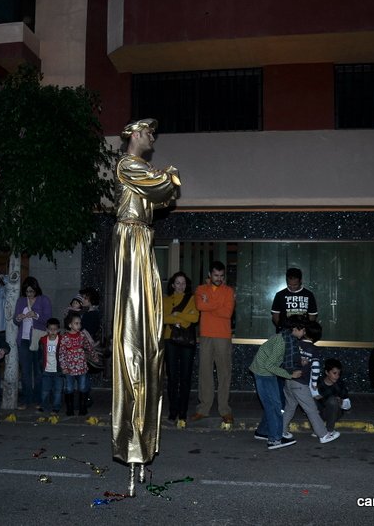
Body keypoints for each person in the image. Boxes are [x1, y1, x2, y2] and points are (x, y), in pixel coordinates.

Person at [111, 117, 180, 494]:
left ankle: (142, 440)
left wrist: (166, 180)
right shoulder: (128, 164)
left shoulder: (138, 168)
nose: (152, 137)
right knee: (133, 330)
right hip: (132, 240)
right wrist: (169, 174)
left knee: (148, 334)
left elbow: (163, 197)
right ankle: (131, 438)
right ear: (136, 134)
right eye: (149, 132)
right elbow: (163, 187)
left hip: (142, 239)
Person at [279, 319, 339, 446]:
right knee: (311, 410)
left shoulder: (295, 343)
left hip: (288, 380)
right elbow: (315, 368)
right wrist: (314, 383)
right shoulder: (313, 349)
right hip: (301, 384)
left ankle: (281, 431)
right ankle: (323, 435)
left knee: (289, 407)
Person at [191, 261, 236, 425]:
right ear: (210, 275)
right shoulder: (201, 289)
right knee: (205, 372)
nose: (219, 278)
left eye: (221, 276)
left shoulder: (228, 291)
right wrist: (218, 303)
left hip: (223, 335)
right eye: (216, 275)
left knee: (224, 373)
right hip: (205, 335)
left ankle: (225, 410)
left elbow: (227, 313)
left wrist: (209, 302)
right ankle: (203, 409)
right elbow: (200, 305)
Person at [249, 330, 300, 450]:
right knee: (274, 406)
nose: (304, 333)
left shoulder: (286, 338)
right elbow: (269, 365)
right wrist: (290, 375)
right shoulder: (282, 342)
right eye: (303, 330)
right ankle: (275, 440)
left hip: (263, 372)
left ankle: (263, 432)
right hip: (264, 373)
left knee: (272, 405)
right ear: (295, 329)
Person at [162, 271, 199, 429]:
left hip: (186, 341)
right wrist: (183, 317)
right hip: (170, 339)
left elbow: (195, 318)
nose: (180, 286)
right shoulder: (166, 299)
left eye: (183, 283)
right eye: (178, 283)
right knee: (172, 377)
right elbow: (163, 318)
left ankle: (183, 412)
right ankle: (173, 411)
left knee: (185, 377)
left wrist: (177, 315)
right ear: (172, 284)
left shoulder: (192, 299)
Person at [14, 276, 52, 410]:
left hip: (39, 340)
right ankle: (26, 399)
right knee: (25, 372)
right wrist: (18, 318)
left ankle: (38, 400)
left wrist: (36, 316)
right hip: (23, 340)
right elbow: (15, 320)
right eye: (26, 291)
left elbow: (49, 320)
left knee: (39, 371)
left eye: (31, 291)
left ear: (36, 289)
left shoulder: (44, 300)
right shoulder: (21, 301)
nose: (29, 294)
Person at [58, 312, 97, 416]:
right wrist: (63, 367)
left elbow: (88, 347)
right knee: (69, 388)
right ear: (70, 325)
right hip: (69, 368)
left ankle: (82, 408)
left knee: (83, 387)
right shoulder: (65, 337)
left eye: (80, 323)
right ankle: (70, 409)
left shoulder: (82, 336)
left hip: (81, 366)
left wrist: (94, 356)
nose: (79, 325)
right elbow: (61, 353)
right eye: (76, 323)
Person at [271, 267, 318, 333]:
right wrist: (281, 328)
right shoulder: (280, 295)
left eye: (295, 285)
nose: (292, 287)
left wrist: (306, 330)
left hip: (303, 333)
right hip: (285, 332)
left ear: (300, 281)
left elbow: (312, 316)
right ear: (286, 281)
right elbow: (275, 316)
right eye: (289, 285)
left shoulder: (308, 295)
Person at [316, 358, 351, 433]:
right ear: (327, 372)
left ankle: (329, 431)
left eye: (338, 374)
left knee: (332, 400)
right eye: (334, 373)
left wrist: (341, 402)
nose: (337, 376)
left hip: (335, 414)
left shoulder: (340, 384)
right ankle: (318, 428)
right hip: (320, 413)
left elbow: (348, 405)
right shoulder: (318, 382)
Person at [38, 318, 64, 415]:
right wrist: (40, 366)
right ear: (47, 330)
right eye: (50, 329)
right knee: (45, 390)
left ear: (58, 330)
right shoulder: (43, 340)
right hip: (46, 370)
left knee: (58, 391)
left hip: (58, 371)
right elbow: (40, 355)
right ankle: (44, 406)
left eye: (55, 329)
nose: (53, 331)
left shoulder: (62, 340)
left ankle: (56, 407)